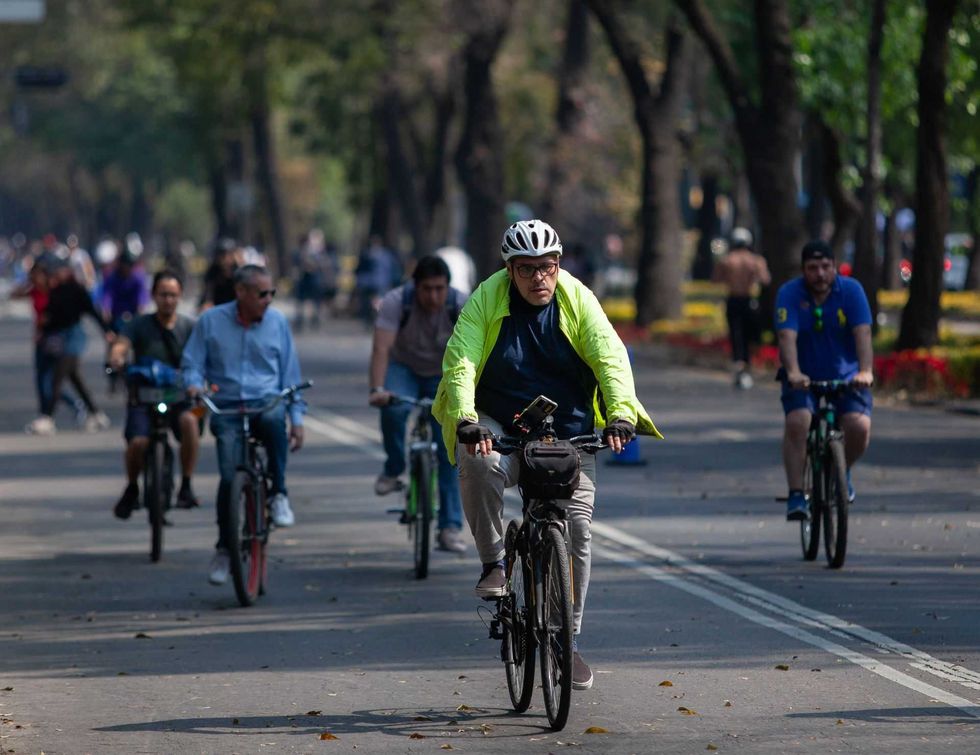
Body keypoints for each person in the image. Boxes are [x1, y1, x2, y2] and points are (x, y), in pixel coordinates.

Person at [432, 219, 661, 690]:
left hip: (567, 437)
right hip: (500, 427)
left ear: (559, 266)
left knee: (577, 530)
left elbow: (610, 356)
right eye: (528, 269)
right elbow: (462, 360)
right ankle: (494, 562)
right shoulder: (486, 299)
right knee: (475, 459)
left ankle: (567, 643)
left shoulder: (577, 299)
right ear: (510, 271)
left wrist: (620, 414)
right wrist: (466, 418)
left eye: (549, 267)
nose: (540, 277)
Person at [181, 265, 306, 586]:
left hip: (265, 404)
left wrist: (297, 419)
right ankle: (225, 548)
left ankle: (278, 493)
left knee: (273, 419)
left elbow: (290, 376)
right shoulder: (211, 322)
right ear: (241, 293)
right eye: (262, 294)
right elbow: (192, 363)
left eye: (272, 293)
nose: (268, 300)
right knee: (228, 478)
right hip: (226, 410)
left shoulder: (277, 323)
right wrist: (194, 386)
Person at [368, 255, 468, 554]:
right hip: (404, 369)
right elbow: (381, 348)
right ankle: (394, 467)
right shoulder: (397, 302)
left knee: (451, 448)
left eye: (439, 289)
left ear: (447, 287)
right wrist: (377, 388)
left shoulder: (461, 304)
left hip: (443, 373)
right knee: (395, 408)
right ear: (416, 285)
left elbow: (475, 352)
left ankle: (449, 527)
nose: (434, 296)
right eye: (427, 289)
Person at [775, 239, 874, 521]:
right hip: (803, 379)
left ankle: (842, 473)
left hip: (847, 379)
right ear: (803, 270)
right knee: (798, 422)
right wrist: (793, 372)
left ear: (835, 267)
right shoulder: (790, 293)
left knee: (860, 427)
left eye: (826, 267)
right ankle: (796, 493)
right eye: (813, 267)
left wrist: (865, 371)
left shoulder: (851, 291)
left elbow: (863, 333)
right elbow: (786, 336)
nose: (820, 273)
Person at [108, 270, 201, 520]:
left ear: (180, 296)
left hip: (179, 396)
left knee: (191, 421)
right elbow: (121, 344)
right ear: (153, 296)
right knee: (137, 442)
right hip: (144, 395)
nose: (168, 300)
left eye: (172, 295)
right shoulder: (138, 324)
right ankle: (132, 487)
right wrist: (117, 357)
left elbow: (206, 356)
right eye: (163, 294)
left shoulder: (189, 327)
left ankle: (187, 485)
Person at [27, 257, 112, 435]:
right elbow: (52, 317)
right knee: (74, 378)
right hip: (60, 337)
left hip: (74, 338)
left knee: (57, 377)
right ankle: (96, 413)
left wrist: (106, 330)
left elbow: (92, 311)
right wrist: (43, 330)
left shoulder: (75, 289)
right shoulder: (55, 291)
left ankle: (47, 417)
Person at [712, 227, 771, 389]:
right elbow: (765, 280)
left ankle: (739, 367)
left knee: (736, 335)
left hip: (733, 300)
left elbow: (716, 280)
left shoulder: (727, 260)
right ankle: (749, 367)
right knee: (750, 335)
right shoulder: (756, 261)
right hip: (750, 300)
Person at [198, 240, 238, 311]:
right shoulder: (213, 271)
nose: (226, 259)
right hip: (216, 306)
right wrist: (206, 302)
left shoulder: (238, 272)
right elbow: (207, 290)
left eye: (229, 255)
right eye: (223, 256)